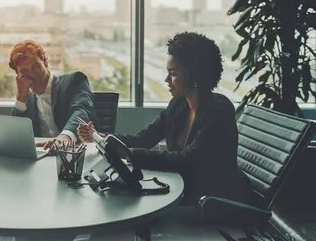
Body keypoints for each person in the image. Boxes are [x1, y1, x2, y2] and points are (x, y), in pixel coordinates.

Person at [78, 31, 244, 208]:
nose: (166, 80)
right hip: (185, 192)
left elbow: (188, 160)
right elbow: (143, 139)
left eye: (173, 73)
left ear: (195, 75)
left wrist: (130, 154)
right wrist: (102, 138)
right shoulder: (178, 105)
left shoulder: (219, 111)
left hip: (209, 203)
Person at [10, 40, 97, 150]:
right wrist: (20, 97)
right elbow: (14, 137)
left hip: (76, 153)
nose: (32, 73)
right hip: (43, 156)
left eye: (36, 65)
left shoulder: (74, 81)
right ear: (18, 75)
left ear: (45, 63)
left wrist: (65, 137)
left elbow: (81, 111)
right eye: (24, 70)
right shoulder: (26, 101)